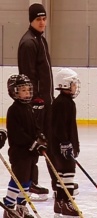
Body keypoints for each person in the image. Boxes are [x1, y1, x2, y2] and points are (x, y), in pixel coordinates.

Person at [17, 3, 55, 199]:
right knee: (34, 143)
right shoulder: (29, 43)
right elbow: (27, 75)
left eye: (44, 18)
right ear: (31, 20)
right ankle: (29, 182)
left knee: (44, 141)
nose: (42, 22)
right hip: (37, 103)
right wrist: (35, 100)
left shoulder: (40, 40)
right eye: (38, 19)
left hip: (46, 101)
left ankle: (35, 181)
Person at [2, 74, 47, 218]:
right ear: (13, 91)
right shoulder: (13, 110)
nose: (27, 93)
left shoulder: (29, 108)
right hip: (20, 153)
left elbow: (35, 127)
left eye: (28, 90)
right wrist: (32, 143)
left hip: (31, 153)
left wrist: (40, 137)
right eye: (23, 90)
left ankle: (21, 207)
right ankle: (9, 208)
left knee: (28, 180)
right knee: (19, 179)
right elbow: (17, 133)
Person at [51, 68, 81, 216]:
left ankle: (60, 203)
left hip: (65, 144)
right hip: (61, 146)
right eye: (73, 83)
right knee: (68, 172)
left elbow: (70, 127)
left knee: (63, 174)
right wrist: (65, 143)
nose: (76, 86)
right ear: (65, 84)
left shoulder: (67, 102)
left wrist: (75, 144)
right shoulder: (62, 103)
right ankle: (67, 202)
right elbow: (59, 126)